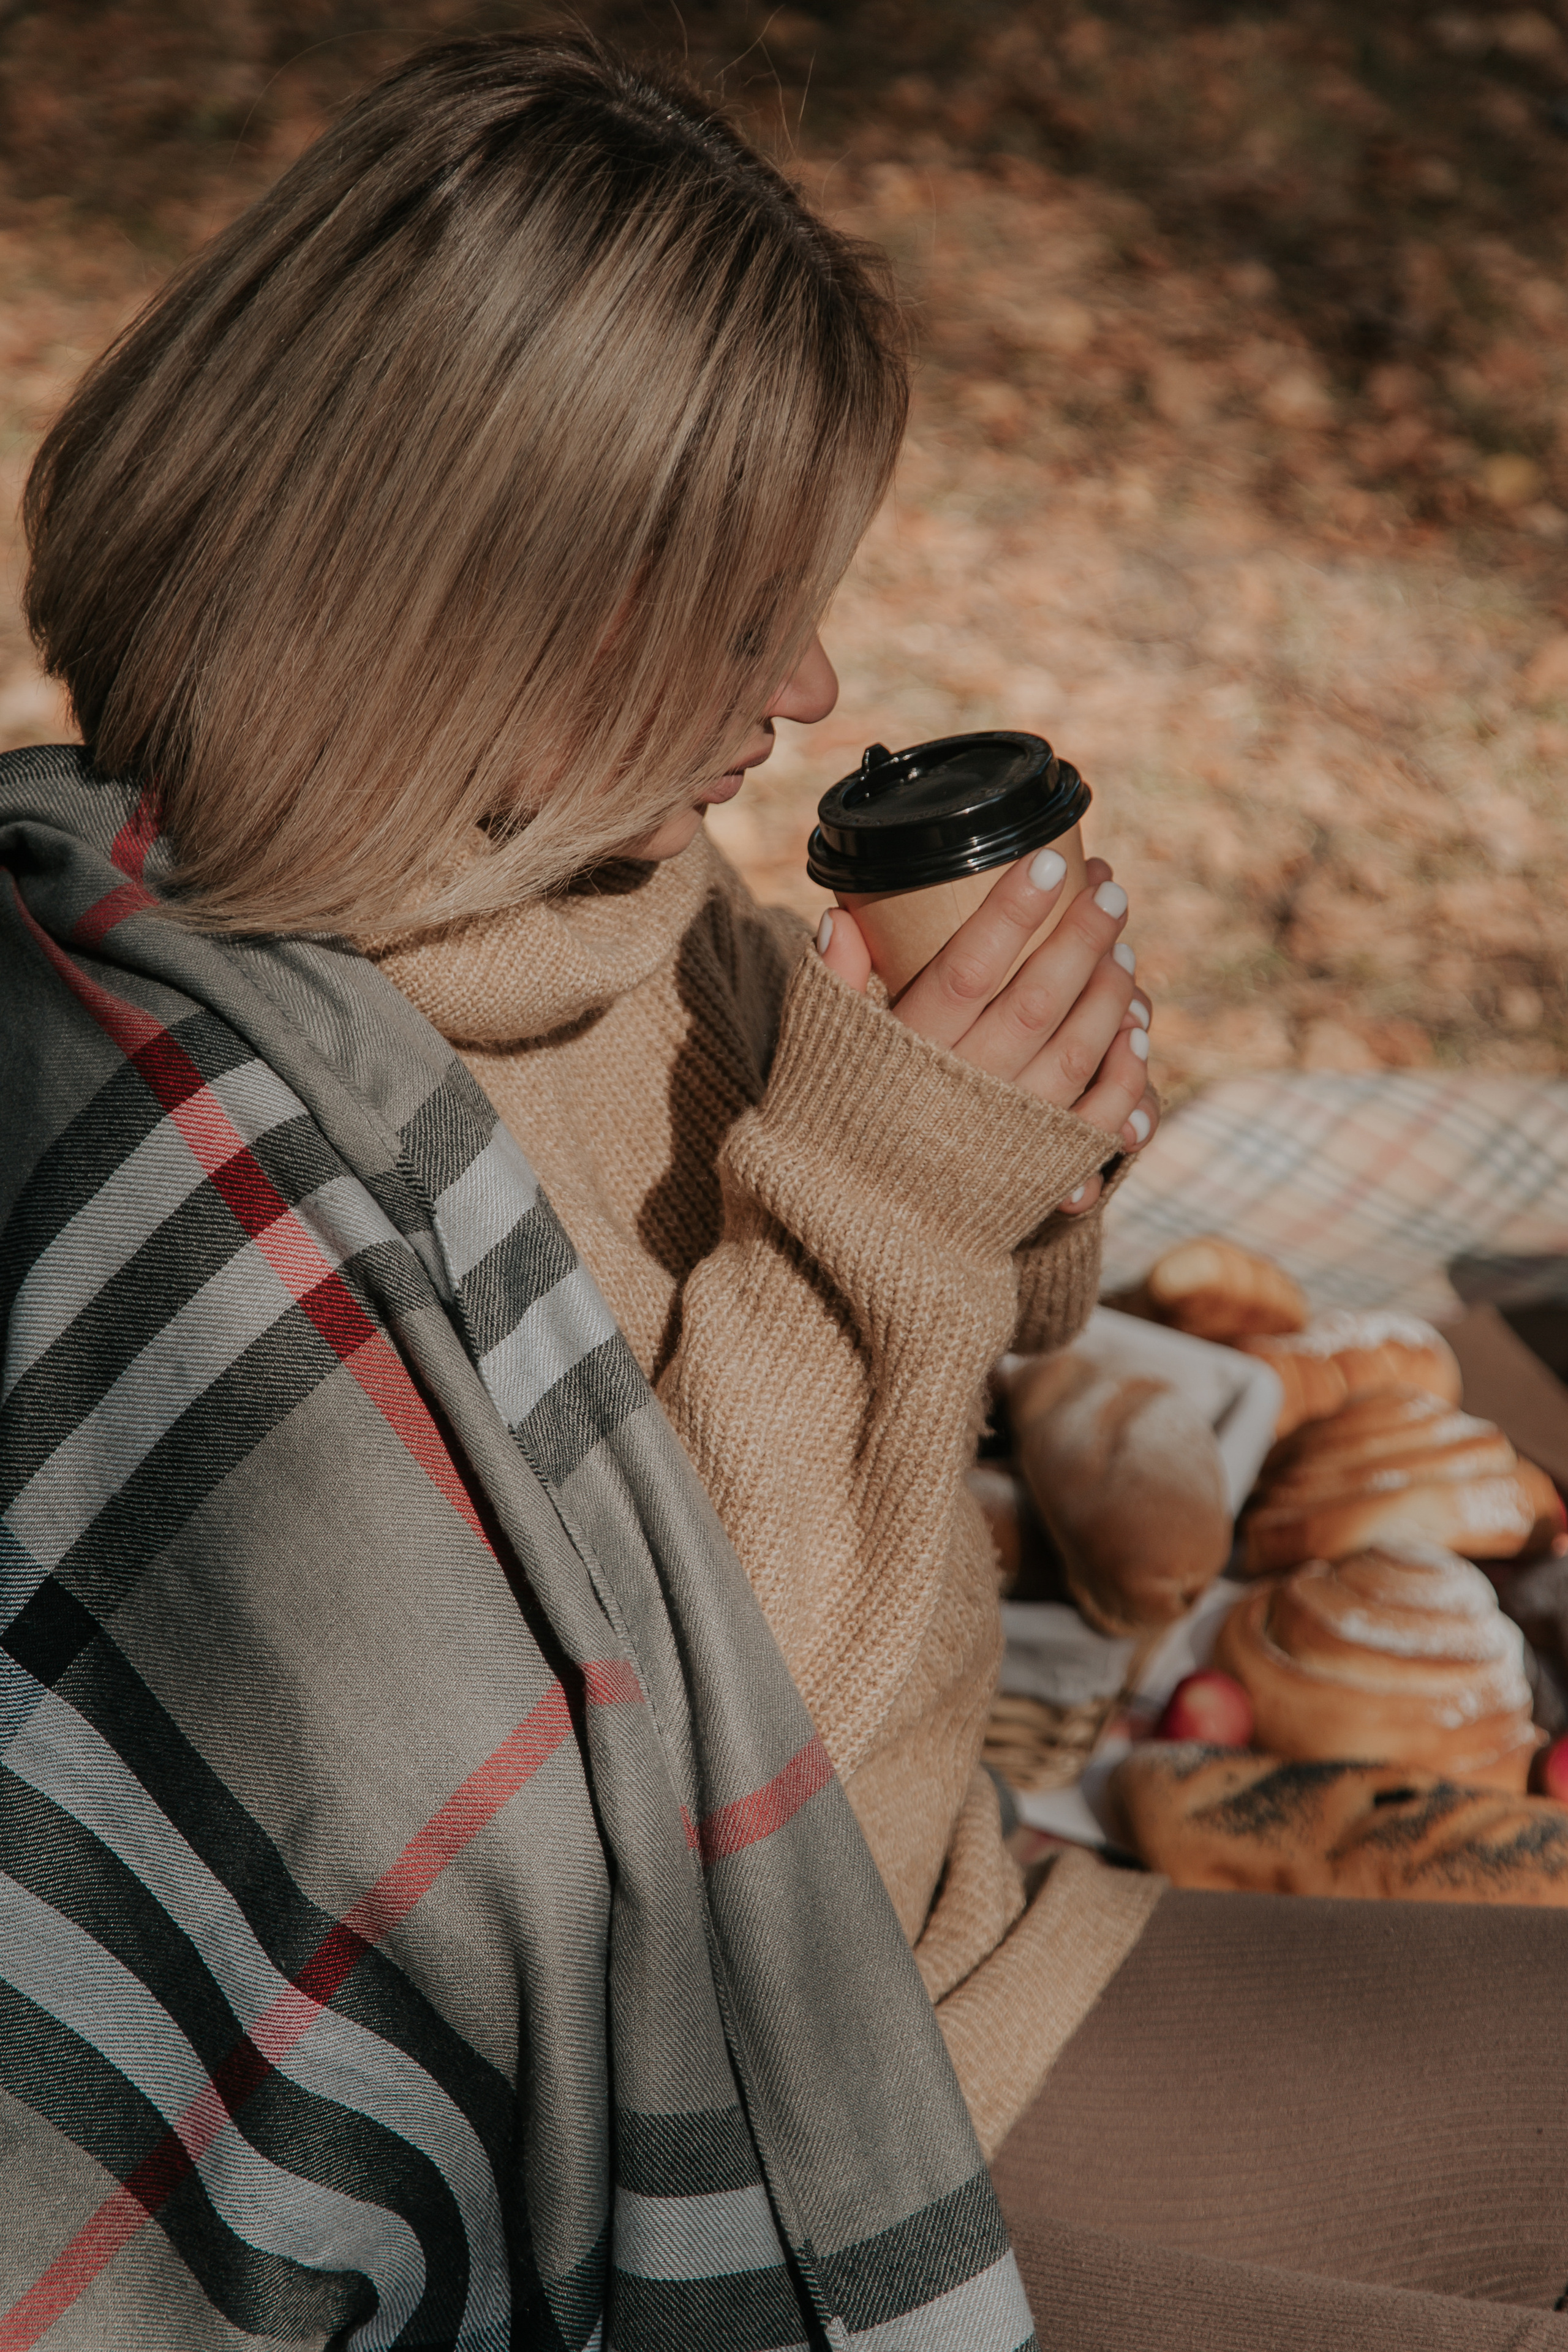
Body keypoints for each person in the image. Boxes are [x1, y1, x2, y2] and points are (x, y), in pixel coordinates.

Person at [2, 32, 1565, 2352]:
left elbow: (972, 1374)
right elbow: (713, 1897)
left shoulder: (614, 881)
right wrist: (884, 1195)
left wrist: (1012, 1142)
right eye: (748, 620)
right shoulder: (191, 1112)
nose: (817, 685)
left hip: (986, 1934)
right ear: (476, 595)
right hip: (741, 2137)